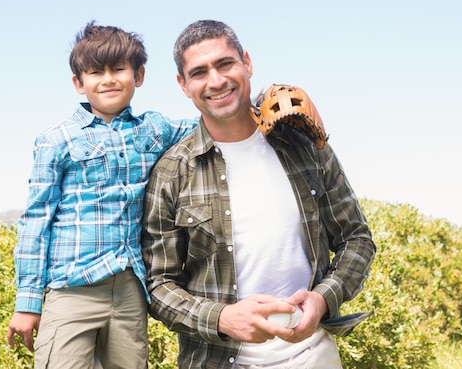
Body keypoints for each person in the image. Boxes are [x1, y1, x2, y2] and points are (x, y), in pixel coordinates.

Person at [141, 20, 376, 369]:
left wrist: (323, 299)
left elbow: (357, 239)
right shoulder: (172, 172)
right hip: (217, 361)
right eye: (199, 72)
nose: (216, 81)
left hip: (313, 355)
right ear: (183, 84)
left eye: (225, 64)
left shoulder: (306, 143)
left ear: (246, 63)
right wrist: (222, 318)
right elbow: (158, 285)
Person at [6, 21, 196, 369]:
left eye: (118, 69)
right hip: (72, 288)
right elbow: (36, 221)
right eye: (95, 72)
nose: (108, 79)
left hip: (129, 290)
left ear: (138, 75)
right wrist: (27, 302)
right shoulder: (57, 139)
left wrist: (259, 104)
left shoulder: (154, 129)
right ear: (79, 83)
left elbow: (210, 123)